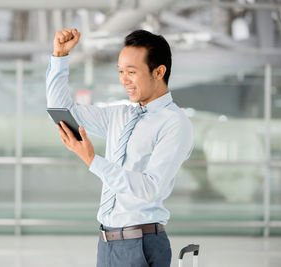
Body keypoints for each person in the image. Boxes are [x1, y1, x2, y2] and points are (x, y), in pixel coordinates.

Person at [46, 28, 193, 267]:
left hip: (141, 244)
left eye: (131, 72)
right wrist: (59, 58)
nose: (124, 80)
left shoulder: (175, 123)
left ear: (158, 72)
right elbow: (61, 109)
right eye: (121, 72)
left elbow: (150, 188)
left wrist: (93, 160)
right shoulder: (120, 116)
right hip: (107, 242)